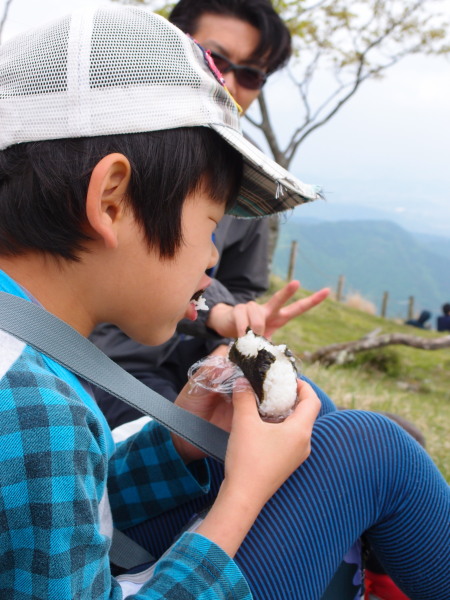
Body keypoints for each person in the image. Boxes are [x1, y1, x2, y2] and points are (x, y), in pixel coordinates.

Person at [0, 7, 449, 600]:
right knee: (373, 446)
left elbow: (59, 512)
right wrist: (243, 495)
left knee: (326, 425)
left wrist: (177, 444)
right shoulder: (33, 401)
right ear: (111, 201)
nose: (211, 258)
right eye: (210, 223)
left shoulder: (32, 359)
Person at [90, 0, 329, 429]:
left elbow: (241, 289)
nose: (229, 81)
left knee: (329, 418)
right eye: (214, 59)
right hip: (100, 367)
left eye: (252, 74)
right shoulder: (105, 140)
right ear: (170, 45)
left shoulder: (249, 179)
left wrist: (238, 324)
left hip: (186, 356)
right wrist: (214, 312)